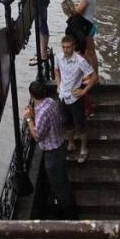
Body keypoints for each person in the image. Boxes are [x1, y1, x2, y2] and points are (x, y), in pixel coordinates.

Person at [24, 80, 76, 217]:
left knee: (57, 182)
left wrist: (29, 119)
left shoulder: (41, 113)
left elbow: (37, 136)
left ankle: (67, 210)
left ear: (32, 95)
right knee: (62, 177)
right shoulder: (52, 102)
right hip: (60, 144)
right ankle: (68, 202)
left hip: (52, 152)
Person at [55, 35, 98, 163]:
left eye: (68, 47)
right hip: (63, 95)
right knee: (65, 121)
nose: (65, 50)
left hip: (75, 97)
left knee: (80, 124)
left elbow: (94, 77)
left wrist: (84, 90)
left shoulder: (80, 61)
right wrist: (58, 84)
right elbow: (56, 70)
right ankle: (71, 142)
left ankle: (84, 148)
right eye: (63, 47)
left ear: (73, 47)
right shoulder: (58, 57)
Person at [61, 0, 95, 118]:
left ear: (64, 10)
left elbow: (80, 37)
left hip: (76, 54)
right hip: (80, 52)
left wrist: (77, 50)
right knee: (79, 82)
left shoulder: (72, 24)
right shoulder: (79, 18)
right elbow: (89, 27)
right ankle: (88, 107)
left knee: (77, 84)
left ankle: (87, 108)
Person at [75, 0, 98, 73]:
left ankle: (94, 75)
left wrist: (70, 8)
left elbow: (78, 11)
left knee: (90, 52)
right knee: (89, 52)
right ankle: (91, 74)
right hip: (89, 24)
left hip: (87, 26)